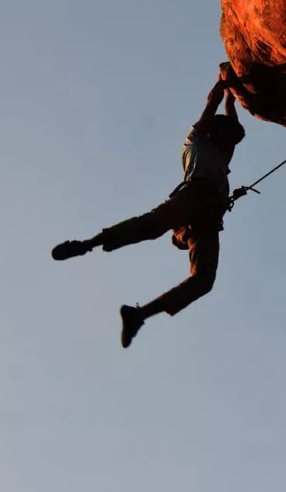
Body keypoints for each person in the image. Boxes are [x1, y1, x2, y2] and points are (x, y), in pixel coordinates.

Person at [51, 65, 245, 348]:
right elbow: (212, 104)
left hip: (207, 218)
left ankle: (139, 314)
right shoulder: (196, 141)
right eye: (227, 137)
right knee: (152, 225)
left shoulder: (221, 153)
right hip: (194, 197)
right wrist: (223, 82)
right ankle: (87, 244)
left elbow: (229, 117)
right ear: (217, 134)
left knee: (203, 281)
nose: (231, 144)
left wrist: (232, 97)